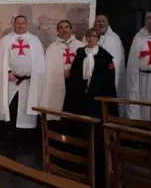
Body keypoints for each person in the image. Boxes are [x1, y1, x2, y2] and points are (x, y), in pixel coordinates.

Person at [63, 28, 118, 188]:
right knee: (81, 123)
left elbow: (108, 79)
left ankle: (97, 151)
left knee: (96, 124)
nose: (91, 39)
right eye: (89, 36)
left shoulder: (105, 56)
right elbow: (74, 74)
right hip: (82, 95)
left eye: (94, 36)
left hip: (97, 96)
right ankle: (81, 148)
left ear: (98, 38)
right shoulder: (80, 53)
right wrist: (80, 87)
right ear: (86, 38)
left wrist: (95, 89)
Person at [0, 15, 45, 143]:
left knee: (28, 108)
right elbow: (0, 60)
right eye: (18, 23)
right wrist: (7, 72)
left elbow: (40, 60)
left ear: (26, 25)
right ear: (14, 24)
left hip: (29, 82)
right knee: (11, 107)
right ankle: (9, 136)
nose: (20, 25)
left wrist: (34, 75)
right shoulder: (6, 40)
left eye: (23, 23)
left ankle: (26, 138)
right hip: (11, 81)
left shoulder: (34, 40)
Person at [40, 20, 84, 122]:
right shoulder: (52, 48)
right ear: (58, 30)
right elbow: (49, 70)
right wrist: (61, 73)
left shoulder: (80, 46)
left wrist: (72, 72)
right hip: (58, 83)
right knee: (58, 108)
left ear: (70, 29)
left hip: (75, 84)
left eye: (66, 27)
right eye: (61, 28)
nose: (64, 30)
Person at [83, 15, 126, 114]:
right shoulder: (87, 38)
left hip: (105, 82)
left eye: (103, 21)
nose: (101, 23)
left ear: (108, 23)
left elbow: (117, 62)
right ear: (94, 23)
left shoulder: (114, 39)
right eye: (98, 21)